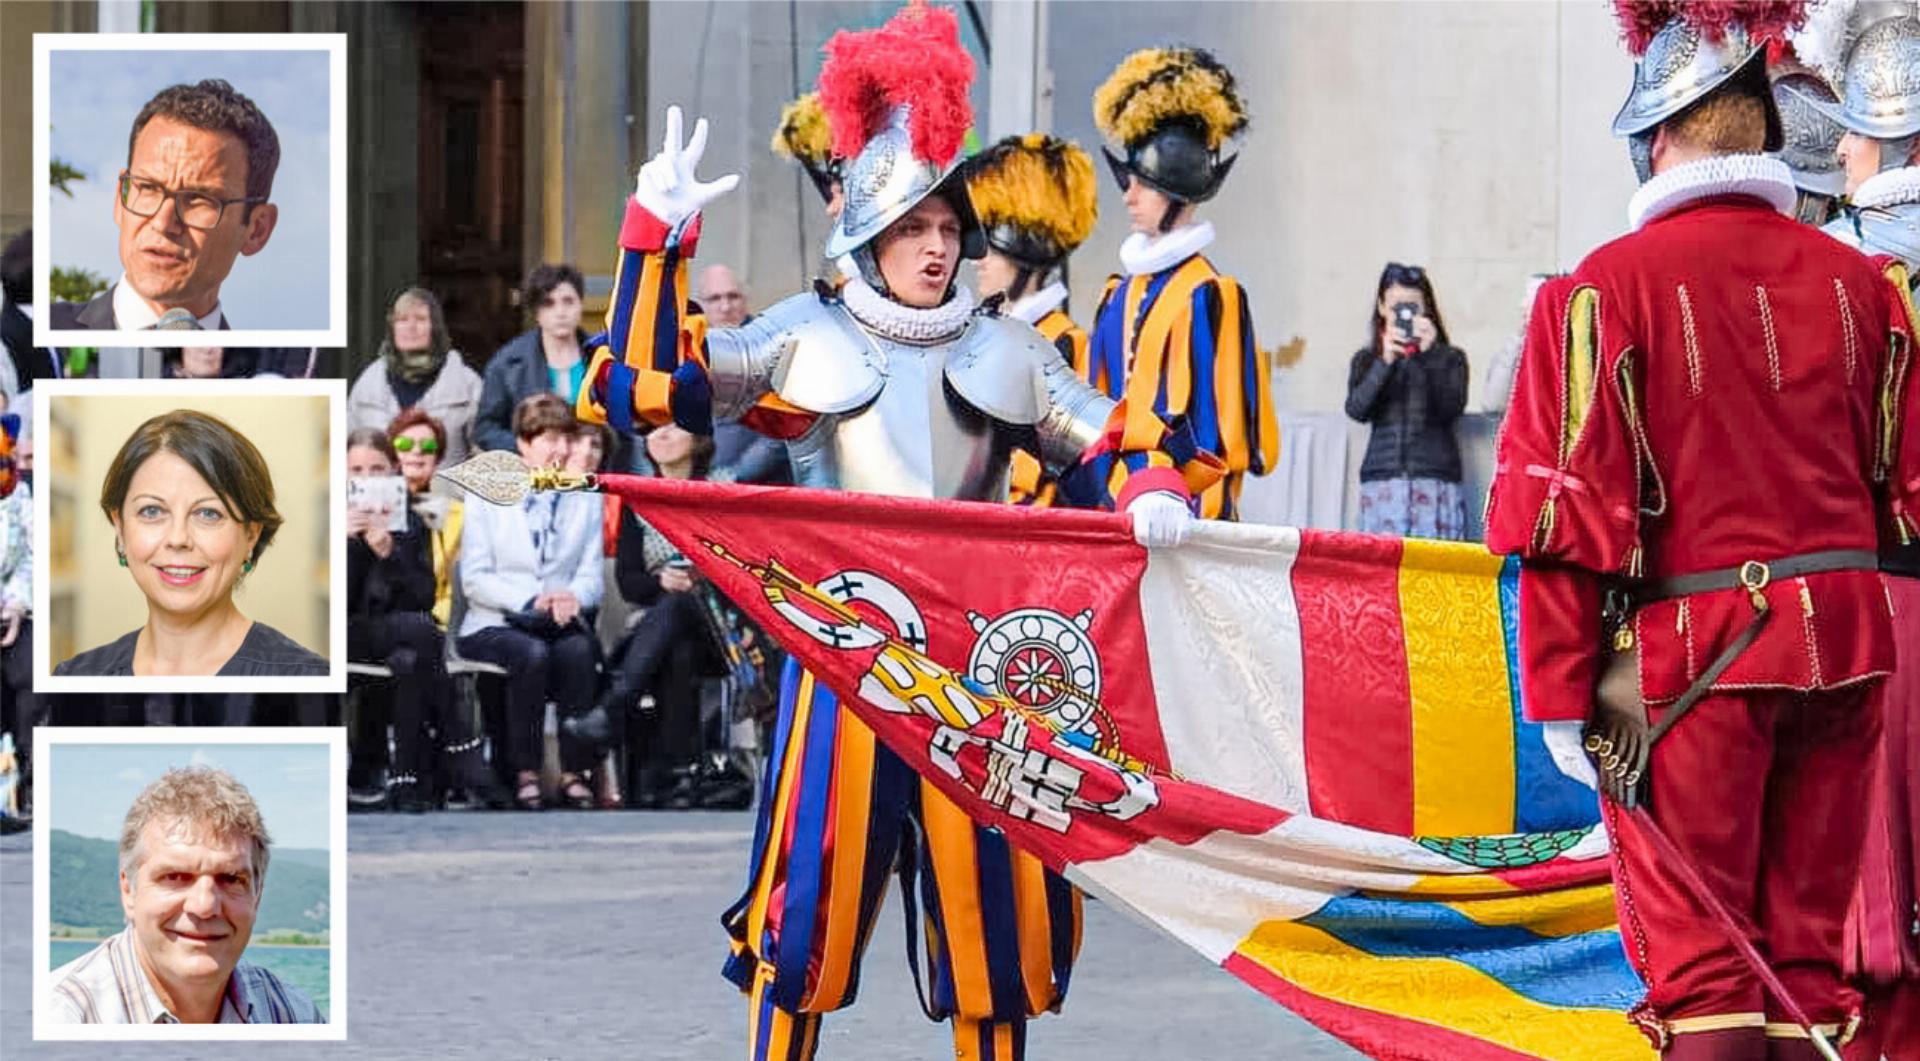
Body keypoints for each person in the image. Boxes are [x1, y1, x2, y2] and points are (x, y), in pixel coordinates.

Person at [572, 7, 1213, 1056]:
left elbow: (1121, 438)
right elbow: (649, 393)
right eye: (915, 228)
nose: (937, 245)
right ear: (867, 236)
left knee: (993, 937)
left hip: (980, 678)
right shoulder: (803, 336)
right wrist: (654, 239)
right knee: (804, 928)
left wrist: (1151, 489)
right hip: (844, 669)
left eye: (949, 228)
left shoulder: (1008, 348)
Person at [1485, 3, 1917, 1058]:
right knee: (1805, 958)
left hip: (1689, 669)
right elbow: (1901, 490)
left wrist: (1557, 694)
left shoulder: (1600, 289)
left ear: (1659, 137)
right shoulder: (1866, 287)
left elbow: (1560, 516)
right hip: (1850, 651)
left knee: (1702, 963)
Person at [1797, 9, 1920, 1058]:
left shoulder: (1825, 269)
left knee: (1870, 899)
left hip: (1877, 596)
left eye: (1855, 129)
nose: (1838, 145)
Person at [1083, 46, 1277, 521]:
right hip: (1111, 511)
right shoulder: (1117, 294)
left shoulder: (1211, 294)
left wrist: (1187, 506)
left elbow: (1222, 437)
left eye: (1142, 182)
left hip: (1183, 516)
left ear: (1178, 187)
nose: (1128, 195)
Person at [56, 410, 326, 677]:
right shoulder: (74, 678)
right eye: (152, 511)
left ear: (251, 535)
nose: (178, 539)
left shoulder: (307, 679)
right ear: (120, 527)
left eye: (208, 514)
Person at [46, 766, 325, 1023]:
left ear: (257, 895)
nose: (205, 906)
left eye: (230, 879)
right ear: (128, 890)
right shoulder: (60, 1017)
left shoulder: (293, 1013)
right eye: (176, 877)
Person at [566, 423, 729, 808]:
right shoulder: (639, 500)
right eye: (653, 429)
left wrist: (703, 575)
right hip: (666, 628)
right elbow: (629, 583)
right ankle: (676, 777)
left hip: (725, 627)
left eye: (674, 426)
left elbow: (746, 562)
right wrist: (662, 582)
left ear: (699, 437)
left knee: (683, 607)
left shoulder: (724, 488)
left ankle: (614, 706)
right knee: (678, 646)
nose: (663, 435)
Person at [456, 393, 604, 811]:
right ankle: (526, 772)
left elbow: (591, 574)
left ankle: (575, 773)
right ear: (523, 443)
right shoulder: (486, 495)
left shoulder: (585, 496)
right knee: (531, 655)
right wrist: (530, 599)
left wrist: (572, 597)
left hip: (557, 616)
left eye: (564, 439)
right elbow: (476, 579)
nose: (558, 449)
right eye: (547, 439)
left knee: (576, 651)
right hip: (496, 620)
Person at [49, 79, 279, 332]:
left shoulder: (274, 369)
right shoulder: (33, 338)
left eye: (199, 199)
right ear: (119, 200)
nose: (163, 222)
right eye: (148, 188)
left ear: (257, 230)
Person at [961, 132, 1099, 506]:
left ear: (1025, 242)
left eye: (991, 240)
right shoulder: (976, 338)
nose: (977, 259)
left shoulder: (1064, 342)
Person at [345, 429, 445, 814]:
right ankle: (454, 745)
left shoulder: (409, 521)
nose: (367, 478)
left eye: (377, 469)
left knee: (412, 657)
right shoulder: (325, 518)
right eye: (356, 469)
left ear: (392, 474)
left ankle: (398, 773)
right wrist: (346, 546)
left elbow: (425, 597)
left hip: (395, 636)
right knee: (423, 635)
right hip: (340, 633)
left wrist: (391, 555)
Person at [1344, 263, 1471, 540]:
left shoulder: (1450, 358)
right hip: (1382, 481)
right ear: (1381, 307)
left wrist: (1429, 357)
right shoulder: (1367, 360)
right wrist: (1385, 362)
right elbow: (1357, 409)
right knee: (1381, 575)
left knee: (1436, 576)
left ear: (1426, 308)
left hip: (1435, 479)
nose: (1404, 315)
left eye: (1412, 306)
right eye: (1396, 306)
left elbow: (1451, 408)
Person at [348, 287, 483, 467]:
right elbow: (348, 450)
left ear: (435, 326)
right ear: (392, 327)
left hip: (446, 493)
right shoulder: (368, 384)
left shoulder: (467, 384)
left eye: (420, 319)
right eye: (402, 320)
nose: (411, 328)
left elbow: (484, 456)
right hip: (380, 492)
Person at [473, 264, 591, 454]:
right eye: (549, 303)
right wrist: (527, 447)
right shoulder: (507, 364)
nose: (560, 312)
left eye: (568, 301)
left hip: (595, 469)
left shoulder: (603, 357)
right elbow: (485, 430)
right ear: (536, 312)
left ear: (581, 304)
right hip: (531, 474)